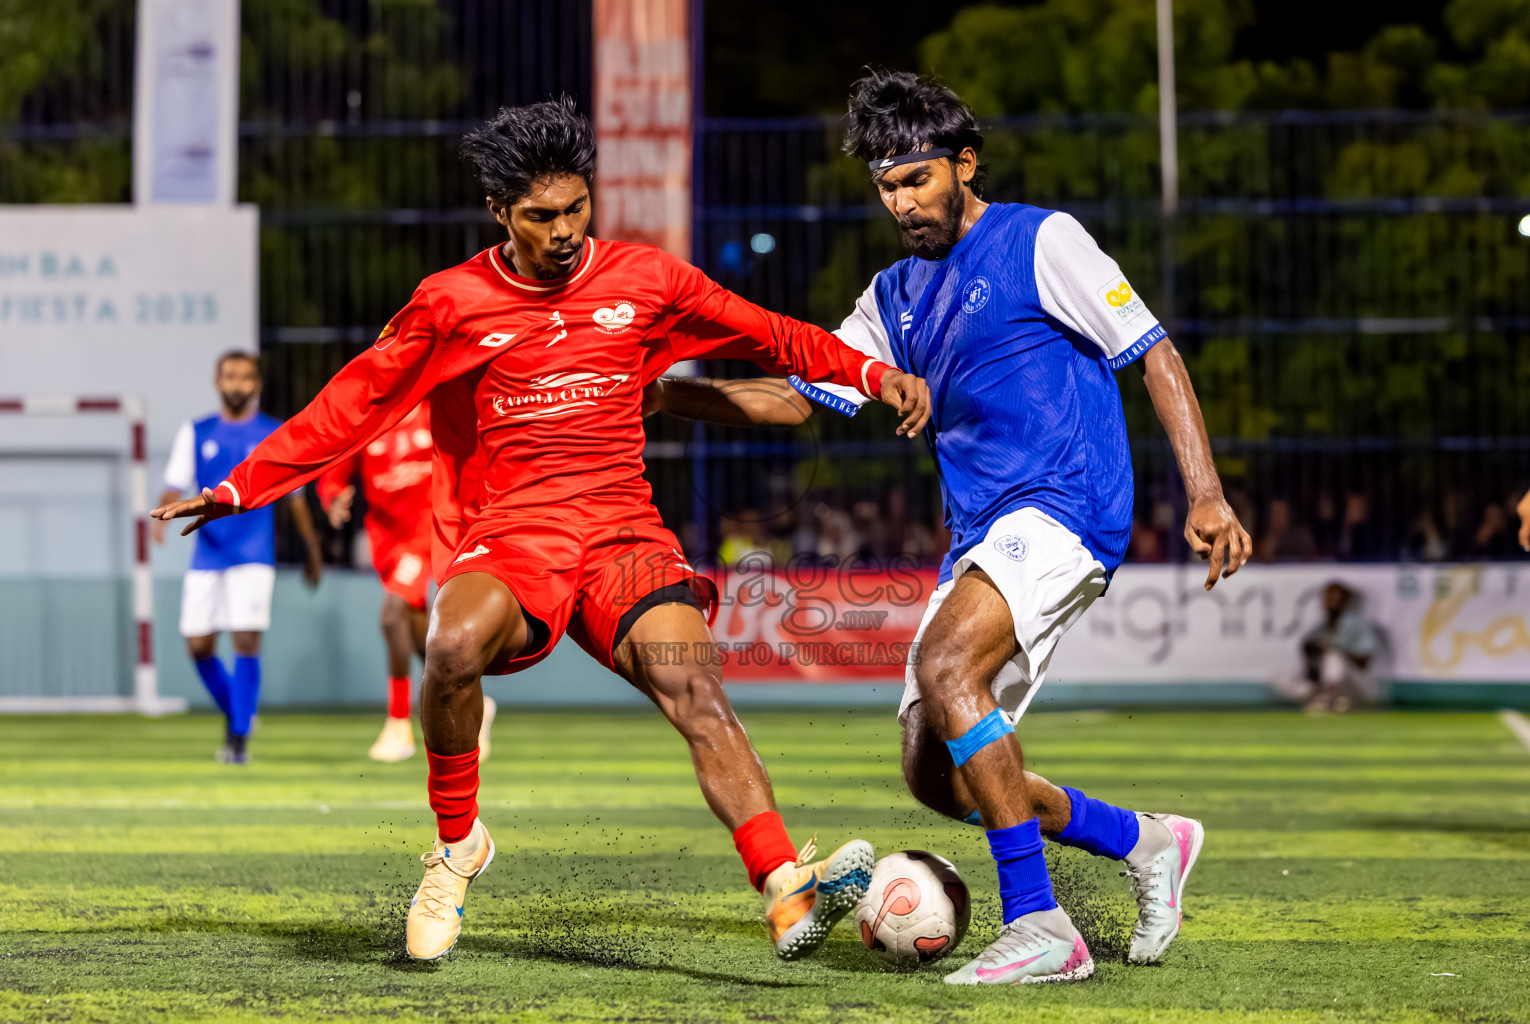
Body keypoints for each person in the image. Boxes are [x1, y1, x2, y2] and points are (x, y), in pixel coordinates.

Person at [151, 97, 931, 964]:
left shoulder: (645, 279)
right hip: (516, 532)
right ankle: (457, 846)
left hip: (624, 533)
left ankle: (783, 880)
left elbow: (770, 335)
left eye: (576, 208)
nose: (563, 231)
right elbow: (354, 401)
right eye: (540, 215)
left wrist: (871, 373)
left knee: (695, 685)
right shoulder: (451, 302)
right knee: (451, 645)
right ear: (499, 212)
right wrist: (242, 485)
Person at [644, 71, 1252, 985]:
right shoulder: (890, 297)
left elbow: (1154, 351)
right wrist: (665, 395)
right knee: (934, 775)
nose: (902, 202)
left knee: (946, 667)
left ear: (965, 164)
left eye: (917, 179)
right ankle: (1144, 841)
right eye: (887, 186)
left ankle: (1040, 923)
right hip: (982, 532)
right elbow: (795, 399)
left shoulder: (1040, 240)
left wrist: (1205, 493)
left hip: (1068, 500)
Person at [153, 351, 324, 764]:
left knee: (245, 640)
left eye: (245, 377)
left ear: (256, 385)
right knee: (198, 645)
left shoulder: (273, 433)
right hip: (208, 552)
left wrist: (312, 548)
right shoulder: (196, 432)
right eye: (229, 376)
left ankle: (238, 738)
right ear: (217, 382)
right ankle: (240, 712)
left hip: (252, 553)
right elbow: (175, 483)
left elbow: (295, 497)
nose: (237, 384)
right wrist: (161, 517)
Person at [317, 403, 497, 762]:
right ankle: (471, 696)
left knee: (391, 613)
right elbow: (336, 469)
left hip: (425, 530)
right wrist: (333, 497)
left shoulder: (437, 410)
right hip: (386, 539)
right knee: (414, 627)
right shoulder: (368, 419)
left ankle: (399, 724)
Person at [1297, 582, 1379, 713]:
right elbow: (1307, 646)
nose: (1331, 602)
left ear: (1346, 601)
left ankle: (1330, 698)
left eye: (1336, 598)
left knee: (1333, 657)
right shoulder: (1323, 626)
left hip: (1355, 682)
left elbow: (1364, 662)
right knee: (1285, 679)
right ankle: (1325, 697)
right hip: (1324, 681)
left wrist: (1337, 649)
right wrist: (1318, 650)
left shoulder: (1355, 623)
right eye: (1328, 598)